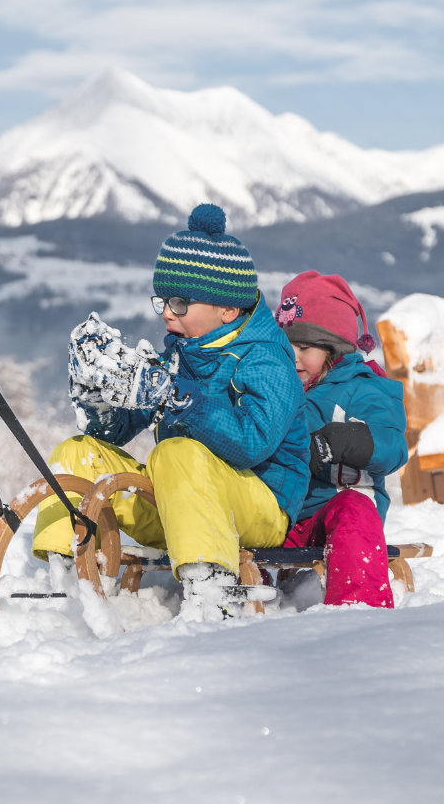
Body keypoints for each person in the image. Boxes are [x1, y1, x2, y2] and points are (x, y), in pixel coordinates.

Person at [33, 205, 310, 620]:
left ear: (227, 310)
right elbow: (112, 434)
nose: (166, 312)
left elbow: (253, 441)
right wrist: (97, 394)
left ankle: (211, 586)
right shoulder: (179, 354)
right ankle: (65, 575)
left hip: (260, 507)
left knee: (176, 452)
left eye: (180, 303)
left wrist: (177, 396)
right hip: (182, 504)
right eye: (162, 300)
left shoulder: (267, 361)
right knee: (79, 452)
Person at [277, 271, 408, 608]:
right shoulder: (280, 388)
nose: (293, 357)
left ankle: (357, 608)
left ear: (333, 349)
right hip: (285, 517)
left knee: (354, 508)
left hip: (338, 517)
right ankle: (239, 599)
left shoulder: (365, 389)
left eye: (304, 347)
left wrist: (344, 440)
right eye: (286, 346)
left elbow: (393, 446)